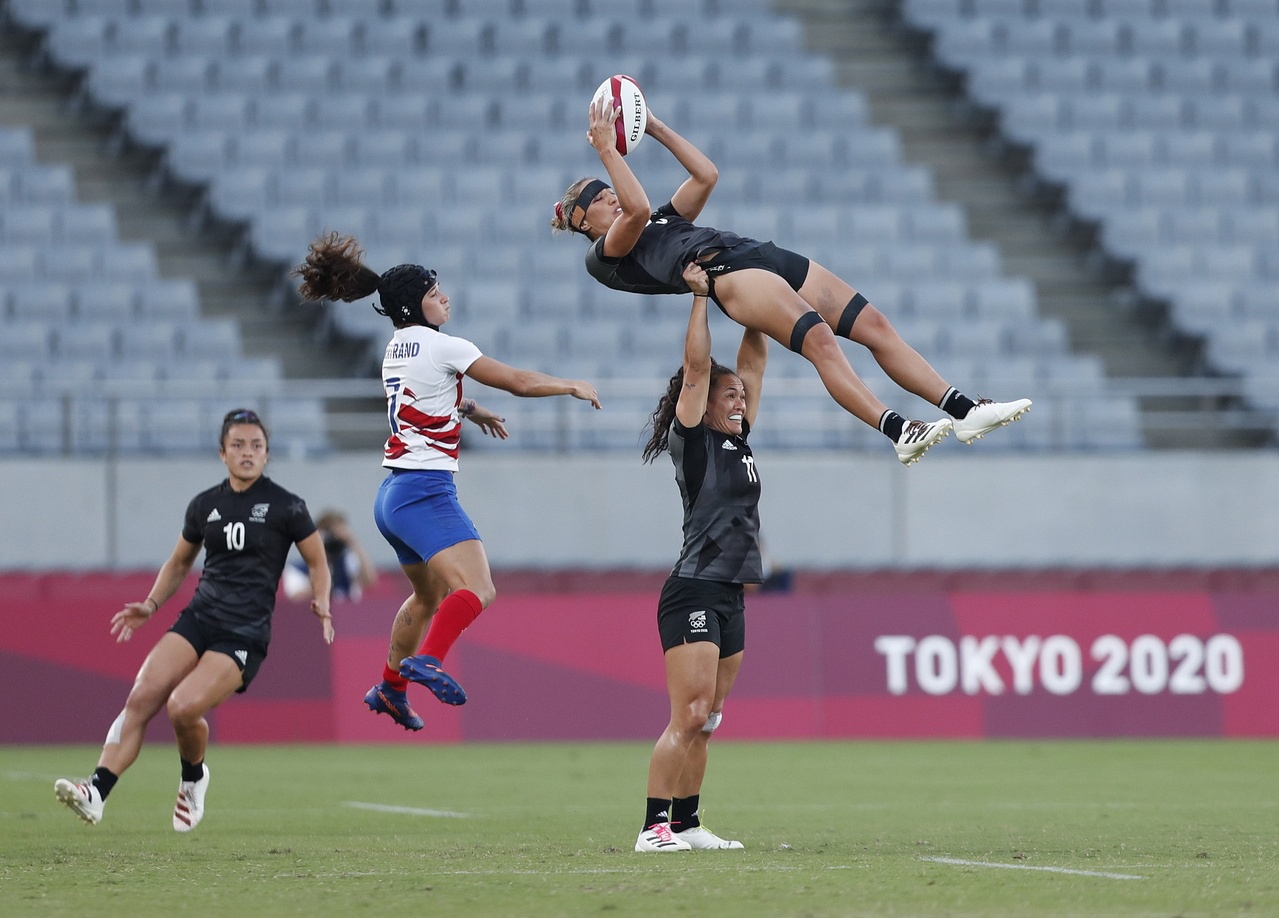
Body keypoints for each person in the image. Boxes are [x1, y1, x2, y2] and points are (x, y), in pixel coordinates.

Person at [551, 95, 1032, 466]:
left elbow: (706, 175)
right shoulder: (606, 255)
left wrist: (652, 125)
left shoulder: (658, 220)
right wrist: (607, 151)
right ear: (581, 221)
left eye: (609, 189)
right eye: (598, 197)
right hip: (728, 275)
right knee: (821, 340)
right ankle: (897, 430)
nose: (610, 196)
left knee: (875, 325)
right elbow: (633, 209)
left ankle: (965, 410)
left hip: (755, 252)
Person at [291, 232, 602, 732]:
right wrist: (568, 384)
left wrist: (470, 410)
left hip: (392, 495)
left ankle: (391, 686)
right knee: (479, 588)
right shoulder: (444, 345)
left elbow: (424, 399)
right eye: (436, 293)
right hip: (425, 491)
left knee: (428, 597)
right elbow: (517, 380)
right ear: (417, 304)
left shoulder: (397, 345)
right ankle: (428, 660)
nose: (445, 298)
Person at [54, 409, 334, 832]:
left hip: (244, 631)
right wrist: (150, 604)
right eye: (238, 445)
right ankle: (96, 792)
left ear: (266, 454)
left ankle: (193, 778)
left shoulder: (287, 506)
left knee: (182, 708)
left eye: (256, 446)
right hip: (199, 617)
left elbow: (317, 561)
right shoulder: (205, 505)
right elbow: (179, 562)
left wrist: (323, 600)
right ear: (222, 452)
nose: (247, 453)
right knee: (141, 696)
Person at [634, 262, 762, 853]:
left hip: (731, 592)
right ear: (704, 400)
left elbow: (755, 360)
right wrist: (702, 299)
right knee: (687, 713)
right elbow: (696, 368)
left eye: (741, 395)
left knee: (707, 719)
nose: (739, 400)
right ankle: (653, 828)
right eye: (728, 393)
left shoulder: (740, 440)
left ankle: (686, 823)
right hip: (693, 588)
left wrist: (763, 306)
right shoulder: (695, 440)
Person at [282, 509, 379, 602]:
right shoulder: (297, 569)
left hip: (348, 615)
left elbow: (369, 580)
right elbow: (296, 600)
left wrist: (352, 542)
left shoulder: (347, 561)